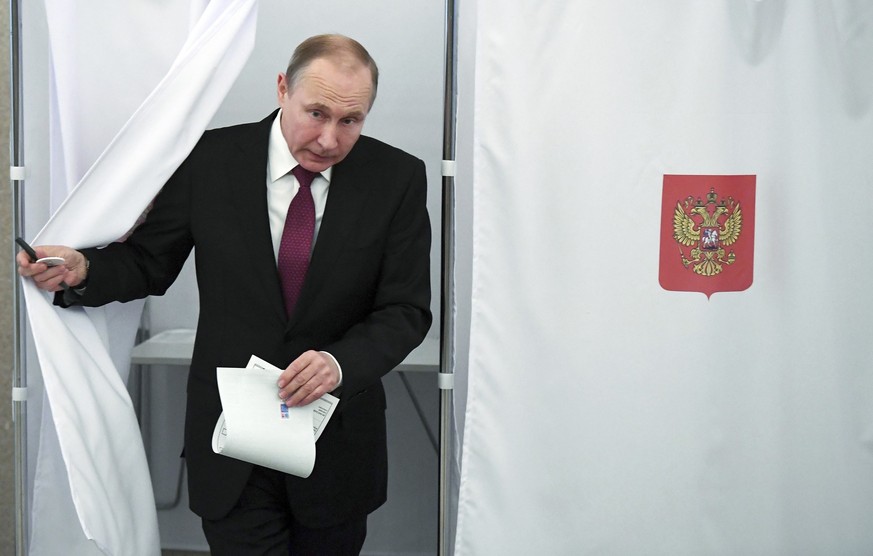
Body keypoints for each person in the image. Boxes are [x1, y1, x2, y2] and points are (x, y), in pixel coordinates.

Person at [17, 34, 432, 555]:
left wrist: (339, 362)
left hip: (335, 449)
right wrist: (84, 270)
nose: (329, 139)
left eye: (350, 121)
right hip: (231, 443)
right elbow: (149, 262)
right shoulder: (209, 159)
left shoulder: (396, 178)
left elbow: (406, 310)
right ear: (283, 88)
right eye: (316, 113)